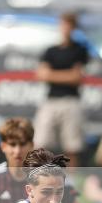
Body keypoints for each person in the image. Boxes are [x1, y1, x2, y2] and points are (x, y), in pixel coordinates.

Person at [34, 12, 88, 164]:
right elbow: (41, 75)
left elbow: (76, 77)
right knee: (41, 143)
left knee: (72, 146)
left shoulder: (79, 50)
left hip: (71, 101)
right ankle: (41, 179)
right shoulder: (50, 51)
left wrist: (52, 75)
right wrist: (66, 76)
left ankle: (70, 183)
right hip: (51, 100)